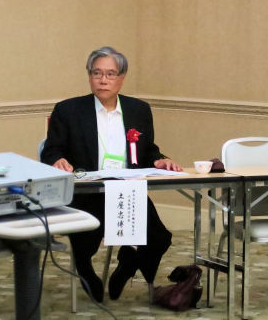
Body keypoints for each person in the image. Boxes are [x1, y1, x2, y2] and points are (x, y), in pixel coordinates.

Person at [41, 46, 182, 302]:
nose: (103, 80)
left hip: (128, 191)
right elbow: (51, 150)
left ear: (122, 78)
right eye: (96, 73)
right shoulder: (68, 110)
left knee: (160, 238)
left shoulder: (138, 109)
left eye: (110, 74)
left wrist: (160, 160)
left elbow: (147, 150)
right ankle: (85, 270)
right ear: (89, 76)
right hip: (87, 193)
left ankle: (129, 264)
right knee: (85, 242)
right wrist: (57, 160)